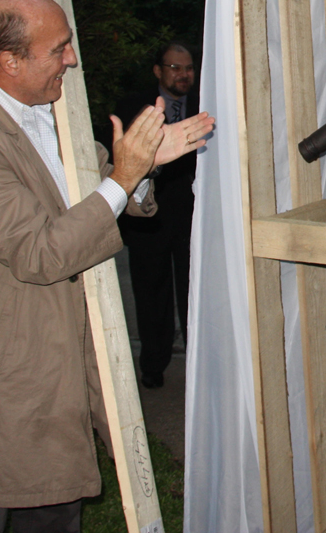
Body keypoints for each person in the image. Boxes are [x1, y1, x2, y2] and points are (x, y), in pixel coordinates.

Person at [0, 0, 215, 532]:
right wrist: (124, 177)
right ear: (9, 60)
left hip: (60, 369)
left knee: (56, 513)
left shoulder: (52, 112)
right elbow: (42, 252)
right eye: (59, 49)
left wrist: (146, 165)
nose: (72, 59)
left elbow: (100, 190)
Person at [111, 42, 199, 389]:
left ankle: (199, 363)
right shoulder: (135, 107)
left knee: (195, 292)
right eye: (175, 68)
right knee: (151, 294)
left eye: (188, 67)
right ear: (158, 71)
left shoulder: (208, 105)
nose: (183, 74)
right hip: (148, 219)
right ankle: (153, 365)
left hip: (194, 219)